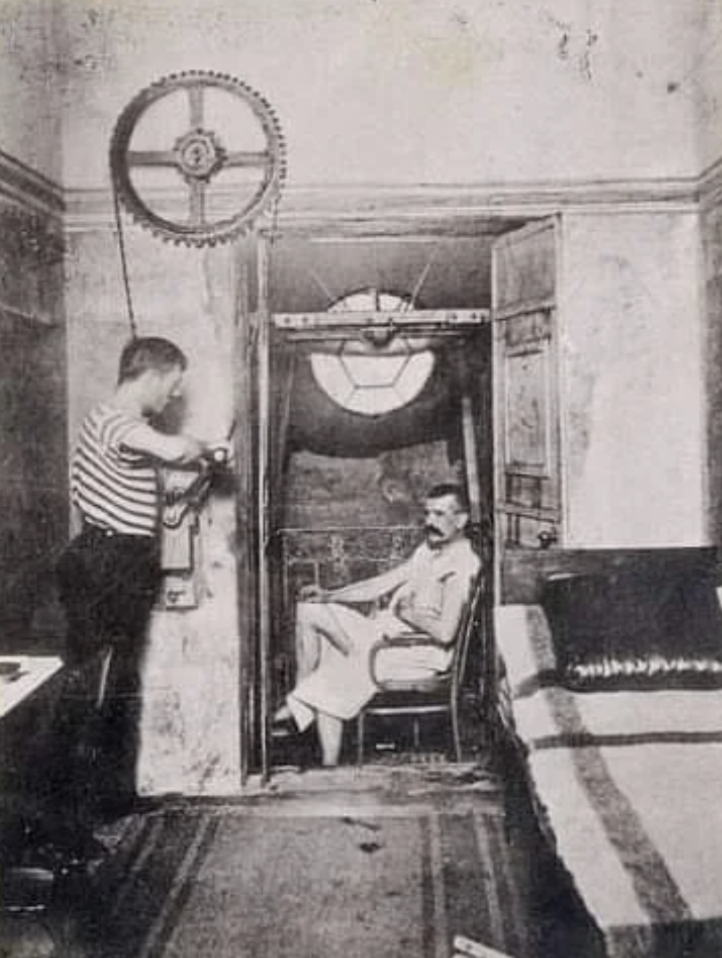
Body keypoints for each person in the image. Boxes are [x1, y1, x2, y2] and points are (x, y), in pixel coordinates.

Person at [50, 336, 227, 850]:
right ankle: (64, 826)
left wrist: (192, 474)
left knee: (120, 685)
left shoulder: (130, 431)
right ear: (152, 374)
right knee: (91, 693)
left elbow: (154, 479)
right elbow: (174, 449)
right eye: (173, 385)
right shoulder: (114, 420)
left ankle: (110, 798)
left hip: (121, 565)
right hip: (104, 566)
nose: (173, 396)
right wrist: (203, 447)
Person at [274, 483, 481, 767]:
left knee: (331, 674)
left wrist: (410, 615)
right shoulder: (430, 551)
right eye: (427, 513)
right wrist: (331, 594)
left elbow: (446, 633)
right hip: (383, 633)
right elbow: (382, 583)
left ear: (461, 520)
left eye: (439, 514)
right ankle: (310, 691)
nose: (429, 522)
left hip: (415, 651)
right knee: (311, 608)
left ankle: (321, 746)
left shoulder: (462, 565)